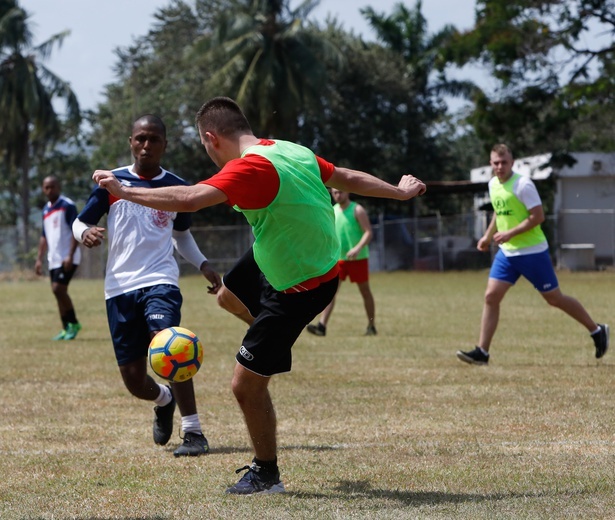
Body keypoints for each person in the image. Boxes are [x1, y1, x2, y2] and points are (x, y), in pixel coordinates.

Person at [91, 97, 426, 495]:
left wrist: (124, 191)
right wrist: (399, 192)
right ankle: (269, 339)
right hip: (289, 257)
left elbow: (187, 199)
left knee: (244, 386)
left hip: (300, 285)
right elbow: (346, 176)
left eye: (203, 146)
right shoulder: (289, 150)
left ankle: (267, 474)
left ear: (211, 138)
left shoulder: (249, 168)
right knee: (225, 295)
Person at [72, 115, 222, 457]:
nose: (146, 145)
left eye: (154, 139)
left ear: (164, 145)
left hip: (160, 281)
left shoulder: (177, 187)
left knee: (172, 344)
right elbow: (80, 222)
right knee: (134, 380)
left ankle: (194, 432)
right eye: (140, 138)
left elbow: (181, 236)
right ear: (130, 142)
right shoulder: (112, 183)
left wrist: (203, 263)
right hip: (119, 289)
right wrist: (86, 233)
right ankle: (163, 400)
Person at [456, 144, 609, 366]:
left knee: (554, 299)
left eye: (504, 162)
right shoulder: (492, 185)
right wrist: (488, 236)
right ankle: (482, 352)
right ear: (491, 163)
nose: (500, 166)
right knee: (491, 297)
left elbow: (538, 217)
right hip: (508, 253)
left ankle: (597, 330)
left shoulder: (523, 184)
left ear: (512, 162)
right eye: (496, 163)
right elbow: (499, 213)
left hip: (532, 252)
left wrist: (509, 233)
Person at [306, 188, 377, 336]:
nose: (338, 195)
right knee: (330, 292)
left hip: (358, 258)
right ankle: (322, 326)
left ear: (348, 192)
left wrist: (357, 248)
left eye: (341, 192)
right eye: (335, 192)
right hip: (338, 259)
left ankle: (371, 325)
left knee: (365, 291)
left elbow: (368, 232)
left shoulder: (357, 210)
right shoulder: (332, 210)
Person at [35, 175, 83, 341]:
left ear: (58, 187)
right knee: (57, 293)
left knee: (58, 289)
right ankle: (65, 328)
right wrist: (39, 259)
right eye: (46, 187)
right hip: (53, 258)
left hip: (67, 257)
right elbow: (44, 236)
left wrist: (69, 255)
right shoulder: (46, 210)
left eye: (52, 187)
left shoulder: (67, 205)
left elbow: (75, 231)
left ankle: (74, 323)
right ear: (43, 189)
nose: (49, 190)